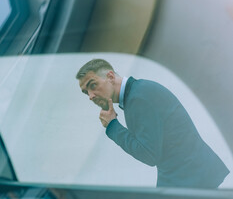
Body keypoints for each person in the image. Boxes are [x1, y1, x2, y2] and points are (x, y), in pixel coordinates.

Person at [76, 58, 229, 188]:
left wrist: (112, 126)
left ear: (110, 76)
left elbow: (148, 155)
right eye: (85, 92)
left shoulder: (138, 99)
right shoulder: (137, 92)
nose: (90, 96)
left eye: (92, 85)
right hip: (191, 178)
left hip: (189, 182)